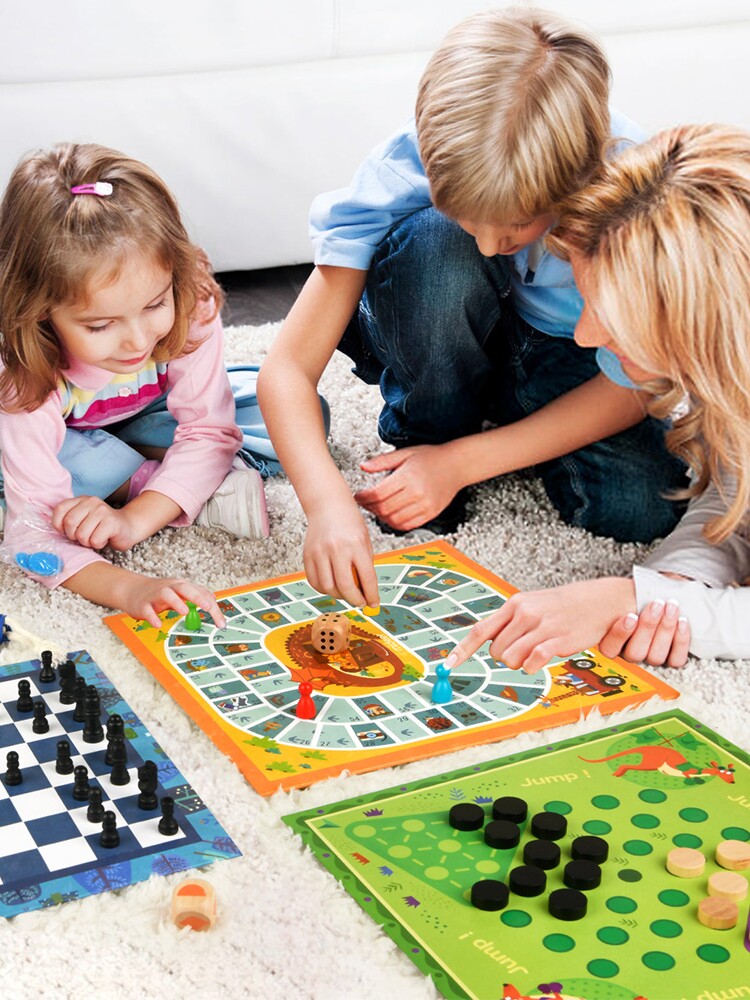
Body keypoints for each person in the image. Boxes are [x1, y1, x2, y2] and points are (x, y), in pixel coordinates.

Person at [257, 6, 686, 610]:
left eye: (515, 226)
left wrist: (461, 464)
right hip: (438, 319)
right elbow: (285, 369)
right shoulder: (410, 163)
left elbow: (636, 384)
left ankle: (480, 439)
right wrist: (325, 502)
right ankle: (429, 430)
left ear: (574, 182)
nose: (488, 246)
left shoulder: (636, 201)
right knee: (440, 250)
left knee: (642, 509)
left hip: (572, 357)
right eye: (467, 216)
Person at [443, 123, 750, 671]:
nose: (584, 336)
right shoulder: (723, 374)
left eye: (610, 311)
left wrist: (639, 600)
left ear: (704, 316)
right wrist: (670, 586)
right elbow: (734, 499)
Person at [0, 142, 271, 627]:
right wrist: (129, 588)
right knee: (46, 482)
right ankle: (179, 486)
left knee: (287, 410)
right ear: (39, 311)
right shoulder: (20, 370)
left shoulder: (189, 302)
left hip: (143, 417)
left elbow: (209, 428)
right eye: (100, 325)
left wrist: (135, 519)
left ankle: (139, 482)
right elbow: (33, 532)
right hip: (66, 438)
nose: (139, 341)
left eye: (154, 305)